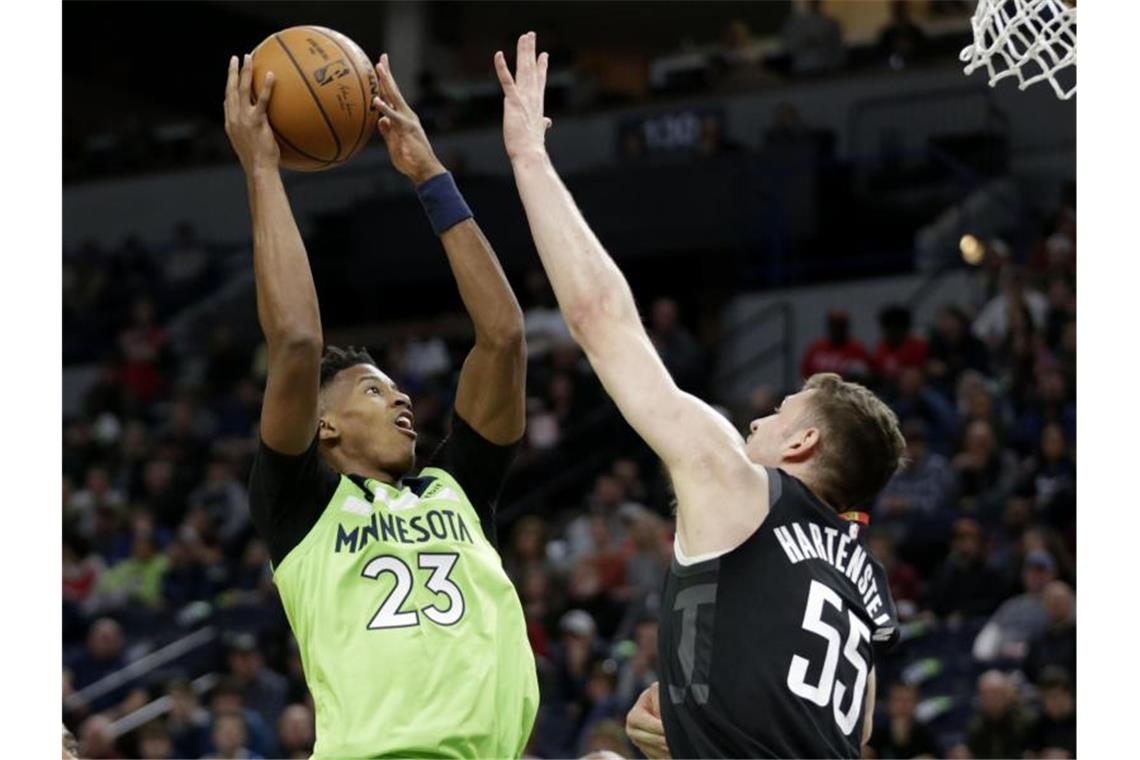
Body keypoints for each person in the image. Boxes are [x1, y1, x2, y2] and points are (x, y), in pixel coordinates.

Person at [496, 33, 902, 758]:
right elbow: (856, 727)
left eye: (780, 414)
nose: (756, 418)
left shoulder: (743, 487)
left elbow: (600, 319)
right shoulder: (863, 577)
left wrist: (530, 158)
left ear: (804, 444)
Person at [224, 51, 537, 758]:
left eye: (397, 389)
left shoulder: (457, 489)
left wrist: (430, 174)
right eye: (373, 389)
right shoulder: (300, 506)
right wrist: (263, 170)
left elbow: (503, 335)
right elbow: (300, 339)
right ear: (323, 424)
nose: (401, 399)